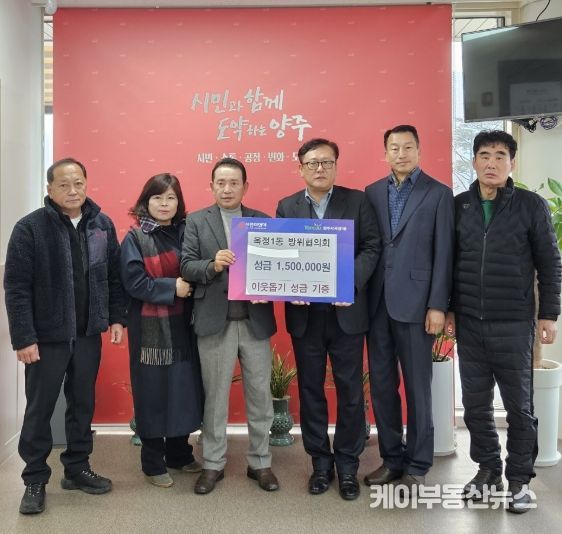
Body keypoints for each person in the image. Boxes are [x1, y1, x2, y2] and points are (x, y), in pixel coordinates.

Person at [445, 130, 561, 513]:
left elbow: (550, 263)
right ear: (474, 161)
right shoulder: (459, 206)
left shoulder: (530, 206)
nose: (491, 162)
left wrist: (549, 314)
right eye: (484, 155)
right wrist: (449, 309)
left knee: (519, 408)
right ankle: (488, 471)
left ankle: (519, 481)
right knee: (475, 407)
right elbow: (448, 263)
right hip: (470, 324)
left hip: (514, 323)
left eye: (499, 155)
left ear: (512, 162)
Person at [4, 157, 127, 515]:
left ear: (86, 183)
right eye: (63, 185)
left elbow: (113, 276)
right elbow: (16, 288)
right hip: (46, 337)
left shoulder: (101, 224)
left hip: (88, 333)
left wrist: (116, 318)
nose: (72, 191)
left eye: (78, 183)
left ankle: (77, 468)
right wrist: (24, 338)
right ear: (50, 189)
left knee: (82, 403)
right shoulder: (30, 228)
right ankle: (34, 479)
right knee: (40, 408)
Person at [276, 138, 380, 501]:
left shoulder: (358, 201)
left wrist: (348, 282)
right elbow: (282, 255)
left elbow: (371, 247)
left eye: (326, 162)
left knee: (350, 391)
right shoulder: (287, 206)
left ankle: (348, 464)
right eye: (312, 163)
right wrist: (290, 286)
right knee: (310, 391)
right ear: (300, 168)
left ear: (336, 165)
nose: (320, 168)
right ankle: (320, 463)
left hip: (346, 312)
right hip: (305, 315)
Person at [364, 124, 454, 494]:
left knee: (418, 388)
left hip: (418, 306)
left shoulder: (438, 193)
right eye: (394, 148)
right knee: (382, 386)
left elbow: (444, 253)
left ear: (419, 150)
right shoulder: (371, 192)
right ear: (385, 152)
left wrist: (438, 305)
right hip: (376, 304)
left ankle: (418, 464)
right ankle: (391, 459)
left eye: (407, 147)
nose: (400, 154)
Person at [181, 157, 279, 494]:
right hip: (214, 322)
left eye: (234, 183)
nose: (227, 189)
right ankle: (212, 463)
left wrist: (271, 288)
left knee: (260, 395)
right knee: (215, 398)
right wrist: (212, 265)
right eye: (220, 183)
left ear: (245, 187)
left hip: (255, 323)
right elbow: (186, 265)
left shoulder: (262, 221)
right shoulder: (196, 221)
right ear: (211, 186)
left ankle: (260, 462)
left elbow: (278, 269)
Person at [121, 173, 204, 488]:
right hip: (151, 332)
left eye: (171, 198)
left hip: (185, 325)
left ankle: (179, 454)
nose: (165, 204)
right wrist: (173, 288)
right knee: (153, 394)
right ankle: (153, 463)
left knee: (183, 389)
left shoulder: (188, 230)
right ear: (146, 201)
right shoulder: (134, 237)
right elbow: (134, 282)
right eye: (158, 198)